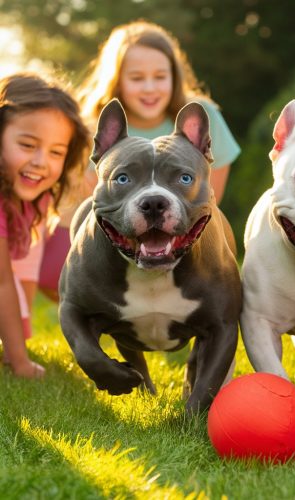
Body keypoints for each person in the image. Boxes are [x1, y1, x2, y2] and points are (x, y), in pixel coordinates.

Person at [77, 20, 240, 204]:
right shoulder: (92, 128)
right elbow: (96, 207)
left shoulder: (202, 116)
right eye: (137, 78)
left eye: (160, 77)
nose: (149, 88)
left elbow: (209, 204)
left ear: (174, 77)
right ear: (117, 80)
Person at [0, 73, 89, 378]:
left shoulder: (34, 197)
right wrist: (20, 362)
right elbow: (2, 283)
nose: (41, 162)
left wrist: (17, 342)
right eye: (27, 145)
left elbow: (24, 267)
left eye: (56, 152)